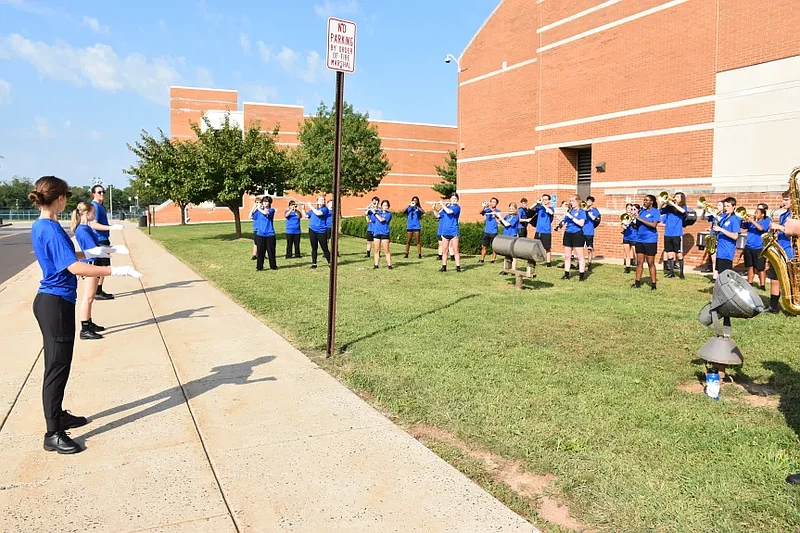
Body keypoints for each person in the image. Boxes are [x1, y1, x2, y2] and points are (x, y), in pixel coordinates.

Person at [29, 176, 142, 454]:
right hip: (54, 303)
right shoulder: (52, 228)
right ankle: (52, 432)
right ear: (60, 199)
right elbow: (74, 268)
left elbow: (68, 256)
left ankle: (58, 415)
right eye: (66, 195)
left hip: (55, 301)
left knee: (61, 364)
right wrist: (116, 270)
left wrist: (100, 251)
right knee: (56, 367)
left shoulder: (46, 224)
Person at [71, 202, 106, 340]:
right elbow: (93, 250)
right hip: (90, 263)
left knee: (90, 297)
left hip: (93, 261)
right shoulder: (83, 230)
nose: (95, 215)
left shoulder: (86, 228)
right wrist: (111, 250)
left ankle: (89, 322)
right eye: (93, 213)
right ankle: (85, 328)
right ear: (86, 213)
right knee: (88, 297)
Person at [88, 184, 123, 300]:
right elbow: (94, 224)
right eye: (99, 192)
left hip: (103, 239)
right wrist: (111, 227)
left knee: (103, 266)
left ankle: (98, 290)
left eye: (103, 192)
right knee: (101, 267)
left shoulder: (100, 206)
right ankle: (95, 291)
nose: (102, 194)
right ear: (93, 194)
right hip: (99, 240)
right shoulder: (95, 207)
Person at [767, 191, 795, 313]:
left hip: (790, 252)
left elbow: (794, 232)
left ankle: (792, 306)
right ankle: (773, 306)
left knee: (790, 282)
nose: (783, 202)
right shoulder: (783, 215)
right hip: (779, 250)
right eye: (783, 199)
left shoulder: (796, 215)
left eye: (786, 200)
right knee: (774, 279)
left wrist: (779, 227)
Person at [632, 194, 660, 290]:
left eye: (646, 200)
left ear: (651, 202)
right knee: (639, 262)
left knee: (650, 262)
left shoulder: (655, 212)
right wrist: (632, 222)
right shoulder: (642, 212)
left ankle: (653, 284)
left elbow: (653, 225)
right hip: (640, 239)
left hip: (650, 240)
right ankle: (637, 282)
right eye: (644, 200)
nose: (644, 202)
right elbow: (638, 226)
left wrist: (639, 218)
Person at [660, 192, 688, 279]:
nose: (675, 198)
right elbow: (660, 211)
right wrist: (664, 203)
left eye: (678, 197)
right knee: (670, 254)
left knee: (679, 254)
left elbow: (683, 212)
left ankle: (681, 273)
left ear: (682, 199)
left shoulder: (683, 207)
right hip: (667, 234)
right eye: (675, 196)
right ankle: (671, 273)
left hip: (677, 234)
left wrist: (674, 204)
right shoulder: (669, 208)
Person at [560, 195, 587, 281]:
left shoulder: (582, 212)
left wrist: (571, 217)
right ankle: (566, 274)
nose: (571, 202)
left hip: (577, 234)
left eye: (572, 201)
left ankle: (581, 276)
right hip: (568, 233)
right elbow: (565, 221)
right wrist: (560, 223)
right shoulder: (570, 211)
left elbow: (581, 223)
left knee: (580, 256)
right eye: (570, 201)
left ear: (577, 201)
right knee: (567, 256)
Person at [741, 207, 769, 290]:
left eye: (757, 213)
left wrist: (752, 221)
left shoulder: (765, 221)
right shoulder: (751, 222)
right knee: (750, 266)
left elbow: (761, 228)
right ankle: (750, 283)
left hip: (759, 247)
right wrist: (741, 218)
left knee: (760, 268)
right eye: (755, 212)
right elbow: (742, 226)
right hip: (749, 247)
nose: (755, 214)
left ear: (762, 214)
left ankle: (762, 285)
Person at [712, 197, 741, 276]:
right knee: (720, 274)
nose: (725, 208)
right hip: (720, 250)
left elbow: (735, 236)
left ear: (734, 206)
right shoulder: (724, 218)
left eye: (728, 206)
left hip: (727, 252)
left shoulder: (734, 219)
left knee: (726, 276)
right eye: (725, 206)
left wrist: (721, 229)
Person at [433, 194, 461, 272]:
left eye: (455, 198)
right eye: (453, 198)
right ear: (450, 199)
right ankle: (444, 267)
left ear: (457, 200)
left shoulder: (457, 207)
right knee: (444, 250)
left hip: (453, 231)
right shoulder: (446, 207)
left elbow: (449, 212)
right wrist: (434, 209)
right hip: (445, 231)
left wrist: (442, 204)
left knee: (455, 250)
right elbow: (438, 215)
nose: (454, 199)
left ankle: (458, 267)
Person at [251, 196, 277, 271]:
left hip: (270, 234)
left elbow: (266, 213)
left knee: (271, 252)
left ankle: (273, 266)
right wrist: (254, 207)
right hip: (260, 234)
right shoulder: (258, 211)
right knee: (260, 252)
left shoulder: (271, 210)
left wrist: (259, 208)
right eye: (264, 201)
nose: (265, 203)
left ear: (269, 203)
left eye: (267, 201)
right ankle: (259, 267)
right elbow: (251, 216)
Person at [304, 196, 331, 269]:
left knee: (324, 248)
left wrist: (310, 206)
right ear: (317, 201)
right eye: (320, 199)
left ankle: (330, 262)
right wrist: (303, 208)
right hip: (312, 230)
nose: (322, 201)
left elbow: (318, 213)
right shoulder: (314, 209)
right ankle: (314, 263)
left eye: (323, 199)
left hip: (321, 231)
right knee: (314, 248)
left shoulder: (325, 209)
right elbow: (306, 216)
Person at [496, 202, 520, 273]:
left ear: (515, 209)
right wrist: (496, 217)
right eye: (510, 208)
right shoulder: (507, 216)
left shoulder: (516, 217)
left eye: (512, 208)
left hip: (512, 237)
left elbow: (507, 224)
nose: (510, 210)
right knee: (506, 253)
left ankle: (513, 269)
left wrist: (500, 217)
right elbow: (502, 223)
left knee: (513, 254)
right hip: (505, 236)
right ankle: (505, 269)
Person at [371, 200, 393, 269]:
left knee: (386, 250)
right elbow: (372, 220)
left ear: (388, 206)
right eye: (384, 205)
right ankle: (376, 264)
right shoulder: (378, 213)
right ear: (381, 206)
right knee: (376, 250)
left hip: (384, 233)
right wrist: (371, 211)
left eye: (386, 205)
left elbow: (381, 220)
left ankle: (389, 265)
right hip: (377, 233)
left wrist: (375, 213)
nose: (385, 207)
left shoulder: (389, 214)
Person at [534, 194, 555, 267]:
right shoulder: (540, 208)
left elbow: (551, 213)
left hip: (546, 231)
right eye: (543, 199)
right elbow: (531, 209)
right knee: (535, 247)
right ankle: (534, 261)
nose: (544, 201)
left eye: (546, 199)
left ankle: (548, 262)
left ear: (549, 201)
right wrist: (537, 203)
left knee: (547, 248)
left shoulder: (551, 208)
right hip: (538, 230)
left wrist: (544, 205)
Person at [479, 197, 501, 263]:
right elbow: (480, 212)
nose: (492, 203)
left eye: (494, 202)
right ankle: (482, 259)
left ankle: (493, 260)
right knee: (484, 246)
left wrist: (490, 208)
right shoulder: (487, 210)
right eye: (491, 202)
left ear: (496, 204)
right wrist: (484, 207)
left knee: (493, 247)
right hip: (487, 231)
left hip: (494, 231)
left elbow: (497, 216)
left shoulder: (498, 211)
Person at [583, 196, 600, 268]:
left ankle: (589, 262)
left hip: (589, 232)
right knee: (580, 248)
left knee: (589, 248)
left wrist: (589, 212)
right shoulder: (582, 209)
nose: (588, 202)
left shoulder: (595, 210)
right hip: (581, 231)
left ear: (592, 203)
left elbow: (594, 218)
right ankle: (581, 262)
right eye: (588, 201)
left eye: (590, 201)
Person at [622, 203, 637, 274]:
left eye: (631, 208)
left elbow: (637, 226)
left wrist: (633, 221)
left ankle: (638, 267)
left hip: (634, 237)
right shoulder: (625, 216)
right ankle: (627, 268)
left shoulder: (636, 217)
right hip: (626, 236)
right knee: (627, 253)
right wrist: (625, 225)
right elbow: (623, 226)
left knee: (635, 253)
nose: (629, 210)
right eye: (628, 208)